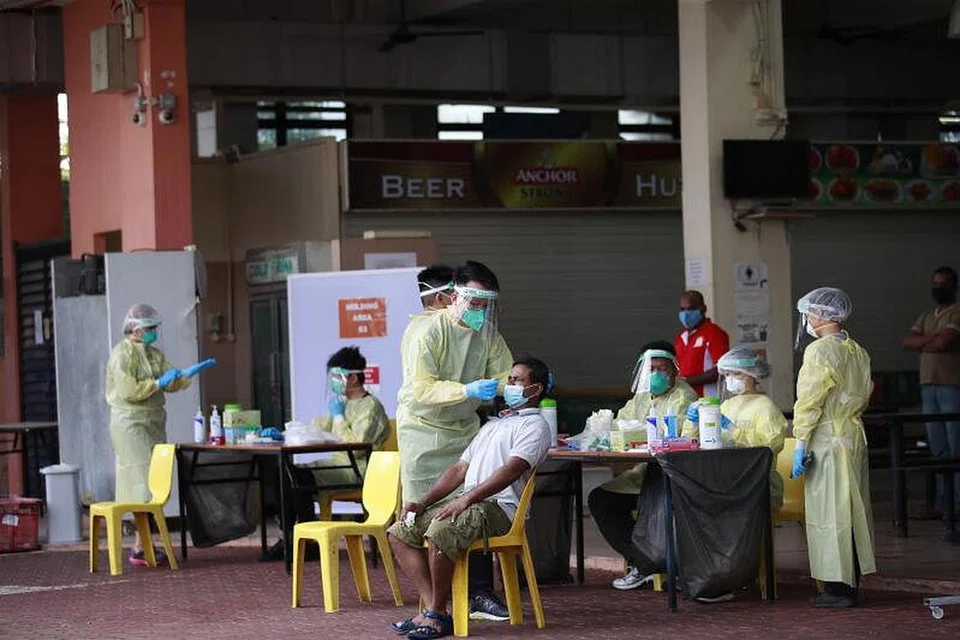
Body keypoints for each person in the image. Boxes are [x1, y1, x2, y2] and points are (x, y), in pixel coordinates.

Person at [389, 357, 553, 640]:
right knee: (400, 531)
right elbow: (458, 469)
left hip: (500, 508)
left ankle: (437, 615)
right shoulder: (493, 425)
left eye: (517, 380)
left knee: (441, 531)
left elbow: (511, 471)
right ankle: (433, 609)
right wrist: (423, 502)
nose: (509, 384)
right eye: (509, 379)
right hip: (472, 501)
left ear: (535, 389)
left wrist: (466, 500)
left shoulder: (535, 427)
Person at [397, 259, 514, 621]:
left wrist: (513, 387)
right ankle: (434, 601)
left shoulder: (487, 334)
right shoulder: (427, 332)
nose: (479, 310)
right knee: (416, 516)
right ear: (452, 296)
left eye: (485, 303)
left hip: (464, 430)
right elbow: (420, 389)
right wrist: (466, 388)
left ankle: (479, 594)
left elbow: (506, 372)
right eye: (473, 301)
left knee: (470, 504)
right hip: (423, 433)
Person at [791, 287, 876, 608]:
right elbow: (865, 393)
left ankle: (838, 587)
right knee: (852, 510)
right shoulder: (858, 351)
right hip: (852, 437)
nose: (809, 320)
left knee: (830, 512)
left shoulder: (819, 352)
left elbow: (809, 401)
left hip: (827, 439)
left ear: (824, 315)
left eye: (811, 314)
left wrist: (800, 441)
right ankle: (850, 581)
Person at [262, 346, 389, 562]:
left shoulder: (370, 408)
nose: (332, 382)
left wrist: (339, 418)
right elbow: (318, 428)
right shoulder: (341, 405)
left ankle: (306, 541)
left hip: (359, 470)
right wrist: (286, 433)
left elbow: (357, 446)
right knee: (284, 472)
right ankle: (292, 536)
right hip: (338, 466)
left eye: (336, 377)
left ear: (354, 378)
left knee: (297, 478)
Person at [588, 341, 697, 590]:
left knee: (622, 502)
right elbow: (619, 424)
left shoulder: (683, 396)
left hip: (671, 475)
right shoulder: (641, 398)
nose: (657, 375)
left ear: (675, 370)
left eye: (663, 369)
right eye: (651, 369)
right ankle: (647, 563)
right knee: (601, 499)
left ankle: (652, 564)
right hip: (642, 473)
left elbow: (676, 436)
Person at [105, 303, 191, 567]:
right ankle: (141, 547)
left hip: (152, 423)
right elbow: (129, 390)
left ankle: (141, 546)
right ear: (137, 329)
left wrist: (183, 376)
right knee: (143, 483)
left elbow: (170, 378)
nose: (154, 332)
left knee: (153, 483)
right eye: (150, 328)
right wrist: (157, 384)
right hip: (130, 424)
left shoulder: (153, 354)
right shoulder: (122, 355)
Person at [683, 345, 787, 511]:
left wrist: (732, 429)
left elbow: (766, 449)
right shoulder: (727, 405)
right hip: (728, 483)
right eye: (727, 375)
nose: (730, 379)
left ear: (754, 374)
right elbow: (697, 442)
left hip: (757, 486)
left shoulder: (765, 408)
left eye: (737, 374)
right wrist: (693, 422)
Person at [902, 266, 960, 516]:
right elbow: (907, 341)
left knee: (955, 448)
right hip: (929, 387)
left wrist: (925, 342)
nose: (938, 288)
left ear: (954, 286)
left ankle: (957, 505)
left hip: (951, 385)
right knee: (937, 449)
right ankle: (942, 502)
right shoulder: (927, 314)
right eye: (934, 284)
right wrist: (932, 340)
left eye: (943, 284)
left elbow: (945, 342)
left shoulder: (957, 312)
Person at [675, 290, 730, 397]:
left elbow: (722, 370)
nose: (685, 313)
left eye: (690, 309)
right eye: (682, 309)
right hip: (684, 399)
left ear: (703, 309)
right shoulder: (681, 337)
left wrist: (685, 381)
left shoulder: (714, 333)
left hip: (708, 400)